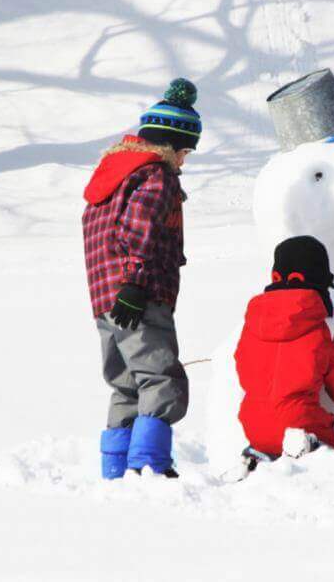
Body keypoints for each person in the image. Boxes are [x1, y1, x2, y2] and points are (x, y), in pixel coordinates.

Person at [82, 78, 202, 479]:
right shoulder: (155, 175)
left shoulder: (111, 177)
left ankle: (115, 473)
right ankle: (149, 468)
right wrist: (135, 283)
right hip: (140, 296)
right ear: (170, 145)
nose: (183, 162)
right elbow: (142, 227)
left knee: (126, 384)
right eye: (184, 152)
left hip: (105, 302)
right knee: (159, 378)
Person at [234, 236, 334, 465]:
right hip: (302, 427)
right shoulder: (323, 330)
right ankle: (306, 455)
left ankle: (259, 460)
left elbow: (244, 370)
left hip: (254, 428)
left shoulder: (251, 324)